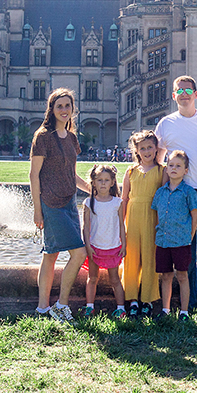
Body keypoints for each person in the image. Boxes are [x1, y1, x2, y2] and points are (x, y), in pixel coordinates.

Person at [155, 75, 197, 314]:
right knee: (187, 253)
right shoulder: (165, 124)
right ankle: (190, 303)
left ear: (196, 95)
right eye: (179, 91)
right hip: (182, 196)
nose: (184, 94)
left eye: (188, 90)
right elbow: (158, 161)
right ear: (174, 96)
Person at [30, 88, 92, 323]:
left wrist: (92, 189)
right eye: (60, 106)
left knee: (51, 254)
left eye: (68, 106)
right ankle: (61, 306)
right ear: (52, 109)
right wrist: (37, 210)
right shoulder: (43, 136)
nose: (64, 110)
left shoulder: (72, 138)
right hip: (50, 203)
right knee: (79, 253)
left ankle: (42, 308)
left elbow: (71, 174)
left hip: (68, 202)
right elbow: (33, 175)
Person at [150, 150, 197, 321]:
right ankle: (165, 310)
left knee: (183, 275)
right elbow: (157, 215)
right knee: (165, 276)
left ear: (186, 170)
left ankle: (184, 312)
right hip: (163, 242)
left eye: (178, 166)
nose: (174, 168)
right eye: (170, 165)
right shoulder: (160, 192)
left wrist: (189, 236)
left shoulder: (188, 192)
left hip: (181, 241)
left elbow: (195, 217)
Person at [121, 130, 164, 319]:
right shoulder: (130, 172)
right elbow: (124, 198)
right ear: (136, 151)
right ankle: (131, 299)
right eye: (142, 148)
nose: (147, 151)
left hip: (152, 217)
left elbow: (163, 197)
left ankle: (147, 300)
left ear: (156, 149)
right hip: (133, 217)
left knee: (149, 257)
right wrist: (120, 225)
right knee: (131, 258)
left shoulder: (162, 171)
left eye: (150, 147)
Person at [81, 164, 126, 318]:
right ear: (93, 182)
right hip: (94, 247)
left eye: (107, 180)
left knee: (115, 280)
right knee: (92, 278)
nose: (103, 183)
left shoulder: (117, 202)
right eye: (99, 180)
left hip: (113, 247)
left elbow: (121, 225)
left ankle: (121, 308)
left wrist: (123, 245)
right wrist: (88, 246)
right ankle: (89, 307)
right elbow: (85, 227)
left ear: (113, 182)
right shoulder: (88, 202)